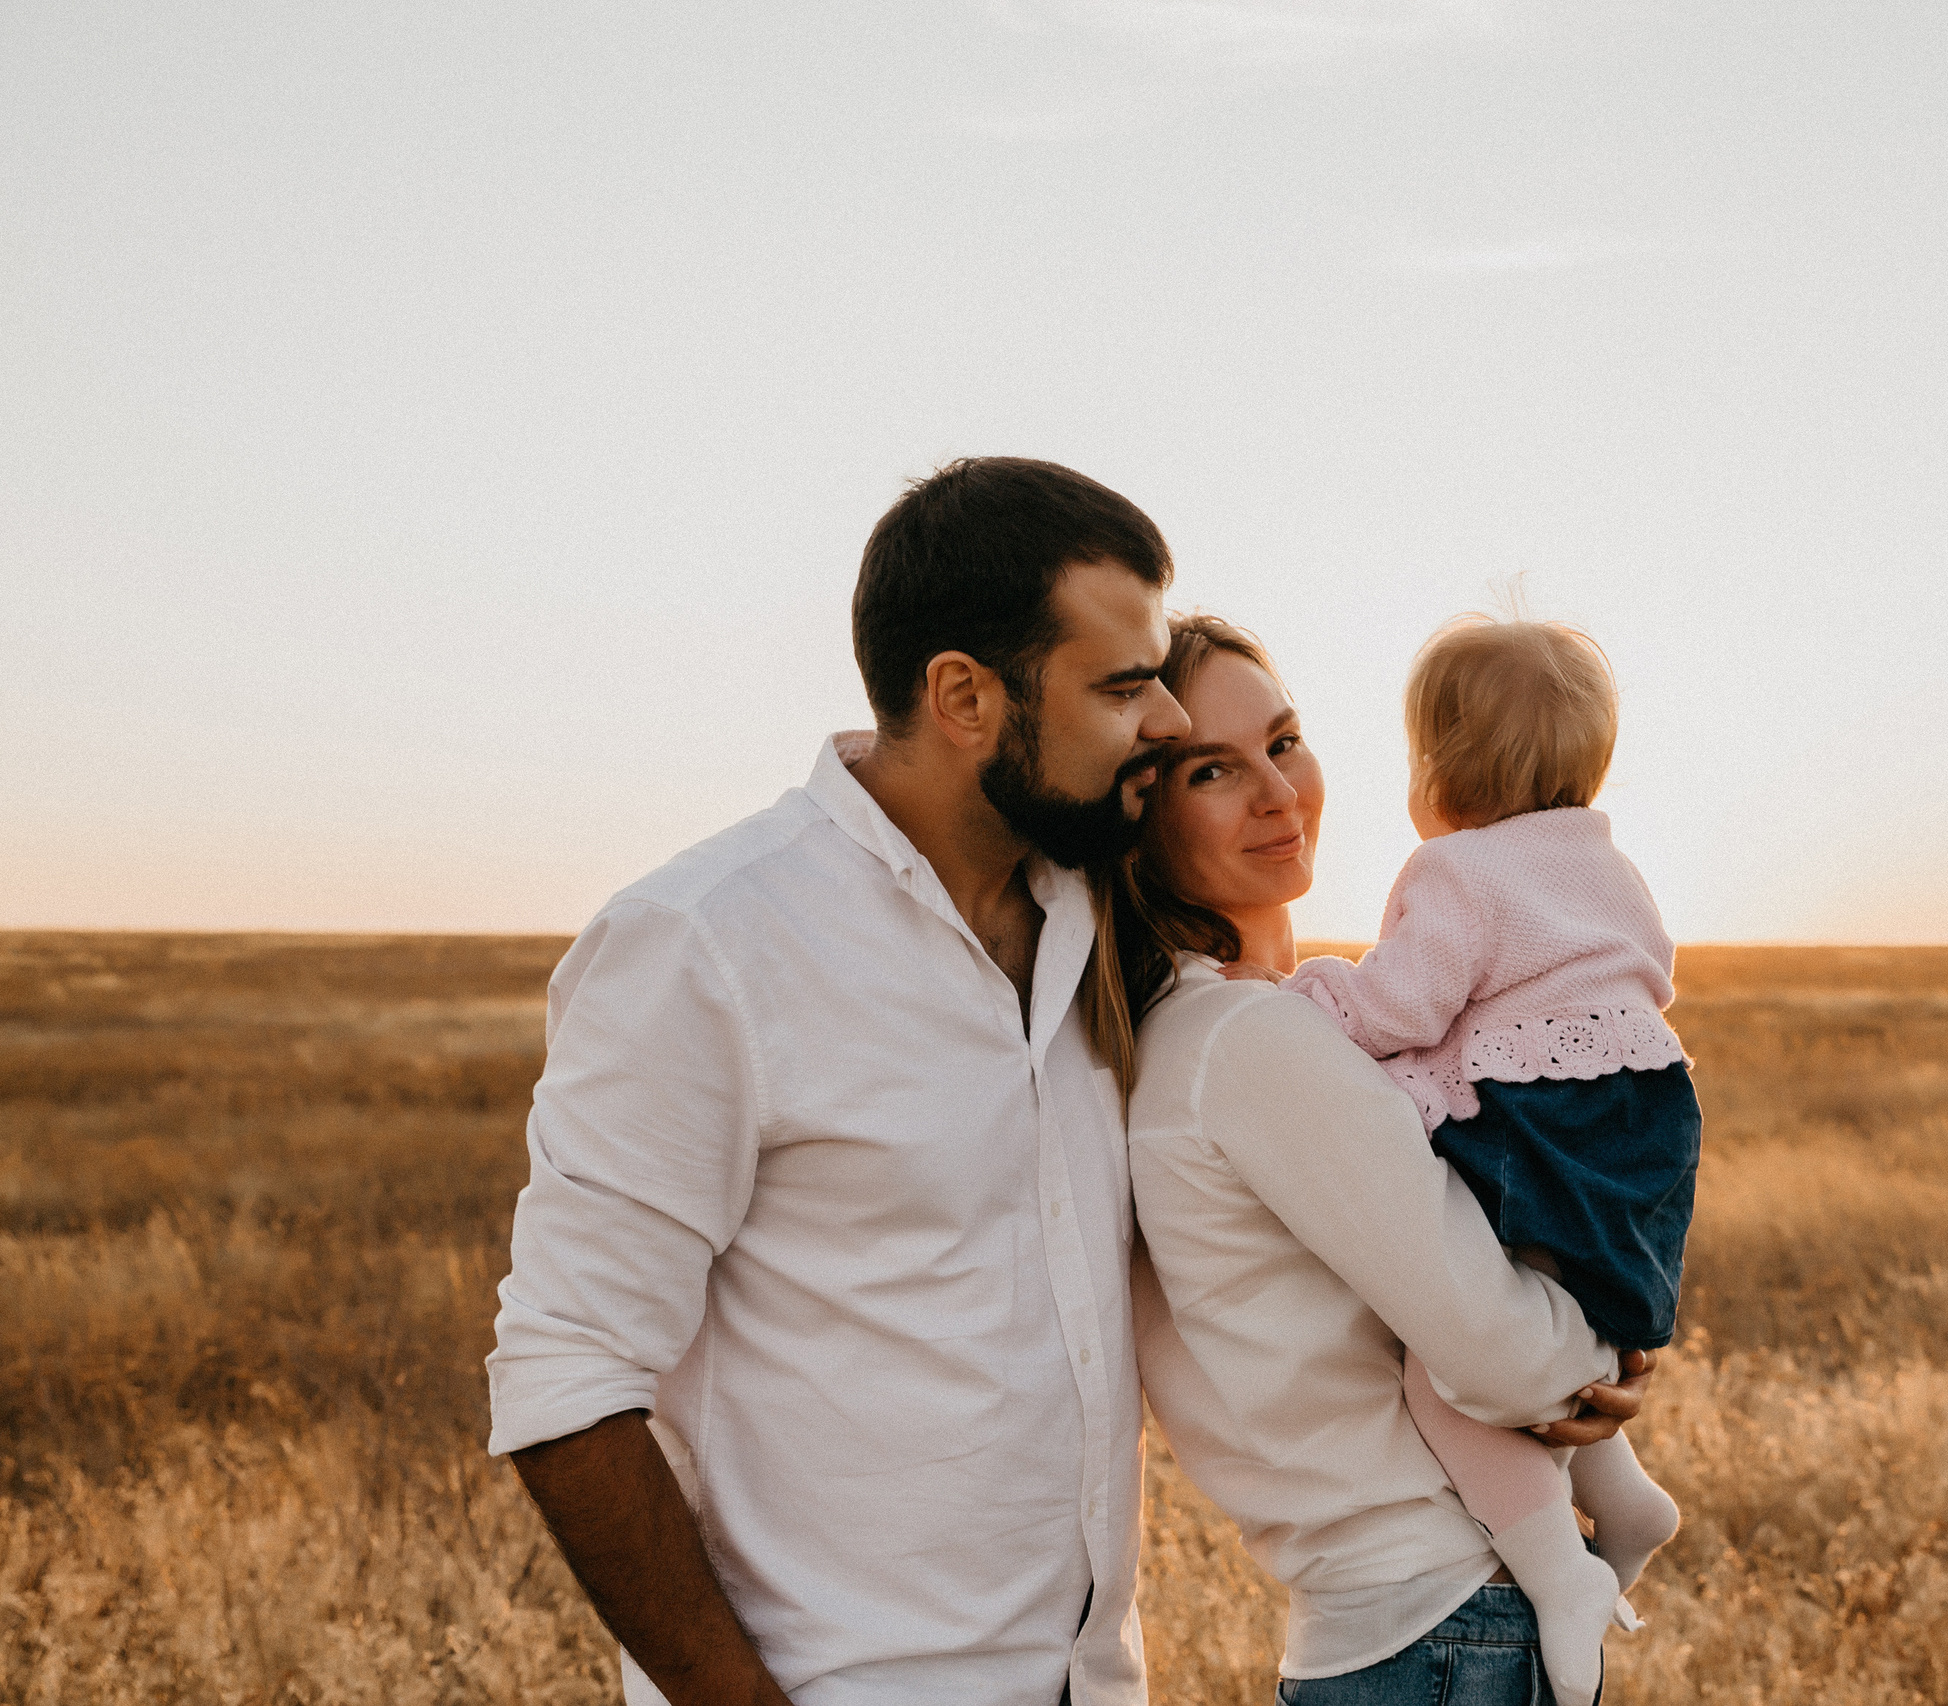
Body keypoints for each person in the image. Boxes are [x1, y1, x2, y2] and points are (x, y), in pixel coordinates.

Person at [485, 457, 1193, 1706]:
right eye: (1124, 685)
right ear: (964, 696)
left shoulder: (1098, 919)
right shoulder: (708, 941)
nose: (1169, 719)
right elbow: (566, 1375)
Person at [1099, 615, 1655, 1706]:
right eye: (1212, 769)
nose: (1277, 792)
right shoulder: (1242, 1040)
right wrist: (1606, 1347)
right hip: (1441, 1618)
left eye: (1283, 741)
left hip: (1400, 1627)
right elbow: (1512, 1361)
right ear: (1142, 818)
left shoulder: (1205, 1033)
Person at [1261, 614, 1700, 1703]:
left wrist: (1313, 995)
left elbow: (1403, 1005)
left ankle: (1558, 1572)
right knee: (1558, 1310)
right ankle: (1624, 1494)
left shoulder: (1455, 869)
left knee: (1447, 1365)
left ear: (1436, 771)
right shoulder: (1609, 862)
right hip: (1637, 1124)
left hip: (1534, 1129)